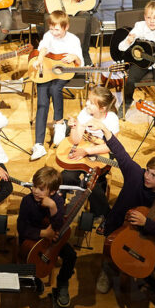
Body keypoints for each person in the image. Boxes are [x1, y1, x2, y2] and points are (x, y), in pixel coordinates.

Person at [96, 137, 155, 297]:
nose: (147, 176)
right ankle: (107, 271)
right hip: (118, 224)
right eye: (148, 170)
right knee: (110, 245)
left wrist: (147, 223)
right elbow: (121, 154)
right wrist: (106, 131)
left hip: (145, 230)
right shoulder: (136, 175)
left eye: (154, 175)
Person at [59, 85, 120, 221]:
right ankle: (62, 204)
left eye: (91, 103)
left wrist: (87, 150)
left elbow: (110, 146)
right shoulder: (84, 114)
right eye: (88, 100)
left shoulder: (111, 118)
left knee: (93, 181)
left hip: (100, 154)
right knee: (66, 175)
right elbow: (76, 140)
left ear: (102, 108)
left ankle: (100, 213)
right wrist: (74, 127)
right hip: (83, 152)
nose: (87, 103)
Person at [17, 165, 77, 303]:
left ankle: (62, 282)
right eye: (34, 186)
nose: (35, 191)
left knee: (71, 256)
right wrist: (43, 233)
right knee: (32, 257)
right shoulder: (27, 201)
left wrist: (53, 208)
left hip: (50, 239)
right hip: (31, 237)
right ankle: (34, 277)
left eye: (41, 189)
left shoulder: (58, 201)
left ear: (52, 192)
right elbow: (22, 228)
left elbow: (58, 226)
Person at [30, 10, 83, 161]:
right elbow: (44, 48)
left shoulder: (73, 40)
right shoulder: (48, 36)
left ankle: (59, 123)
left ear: (66, 27)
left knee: (55, 88)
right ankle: (38, 145)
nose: (53, 32)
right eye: (51, 28)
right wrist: (40, 58)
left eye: (57, 29)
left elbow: (80, 63)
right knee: (42, 103)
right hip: (47, 71)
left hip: (64, 73)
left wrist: (75, 57)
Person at [116, 0, 155, 113]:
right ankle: (127, 101)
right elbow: (121, 48)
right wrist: (128, 41)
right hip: (141, 61)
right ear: (144, 17)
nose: (151, 21)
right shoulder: (139, 26)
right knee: (130, 81)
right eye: (148, 18)